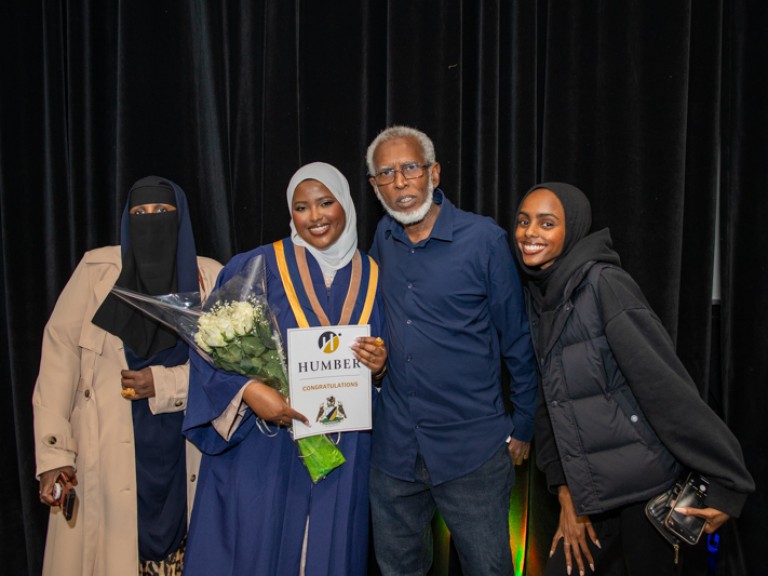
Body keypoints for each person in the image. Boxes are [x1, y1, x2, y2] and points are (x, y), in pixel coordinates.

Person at [513, 182, 755, 575]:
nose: (529, 233)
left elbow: (664, 385)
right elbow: (551, 404)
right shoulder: (543, 294)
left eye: (546, 223)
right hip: (595, 491)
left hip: (645, 490)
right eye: (523, 221)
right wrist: (565, 491)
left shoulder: (605, 285)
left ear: (571, 228)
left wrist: (727, 479)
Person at [181, 162, 387, 576]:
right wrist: (248, 393)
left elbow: (394, 364)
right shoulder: (256, 266)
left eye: (326, 203)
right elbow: (208, 348)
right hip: (263, 449)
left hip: (343, 452)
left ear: (345, 203)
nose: (315, 217)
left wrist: (380, 369)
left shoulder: (376, 276)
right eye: (301, 207)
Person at [365, 125, 539, 576]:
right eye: (386, 173)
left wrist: (523, 424)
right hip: (395, 452)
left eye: (410, 168)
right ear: (374, 186)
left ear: (434, 173)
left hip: (472, 451)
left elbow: (517, 339)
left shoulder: (484, 240)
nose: (400, 182)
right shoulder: (382, 239)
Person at [32, 176, 223, 576]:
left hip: (184, 446)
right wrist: (54, 454)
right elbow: (58, 362)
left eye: (162, 213)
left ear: (182, 219)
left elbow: (235, 373)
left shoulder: (211, 278)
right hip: (109, 446)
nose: (151, 222)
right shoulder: (96, 272)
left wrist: (166, 384)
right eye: (139, 214)